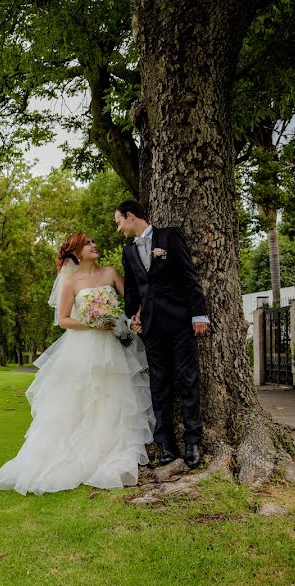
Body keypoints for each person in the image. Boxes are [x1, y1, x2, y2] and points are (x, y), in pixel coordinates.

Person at [0, 233, 154, 495]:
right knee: (82, 399)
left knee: (113, 397)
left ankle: (109, 450)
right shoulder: (71, 282)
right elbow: (64, 320)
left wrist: (134, 317)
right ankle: (78, 455)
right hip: (83, 347)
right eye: (88, 243)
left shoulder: (111, 272)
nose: (94, 245)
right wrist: (92, 323)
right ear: (77, 252)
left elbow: (133, 299)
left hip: (113, 346)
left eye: (93, 241)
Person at [114, 200, 209, 470]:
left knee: (188, 379)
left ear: (130, 216)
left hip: (180, 322)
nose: (119, 228)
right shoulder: (128, 251)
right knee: (159, 384)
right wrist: (132, 315)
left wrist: (198, 314)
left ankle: (193, 441)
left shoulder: (169, 237)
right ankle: (165, 444)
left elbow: (189, 277)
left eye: (119, 222)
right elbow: (132, 288)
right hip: (151, 327)